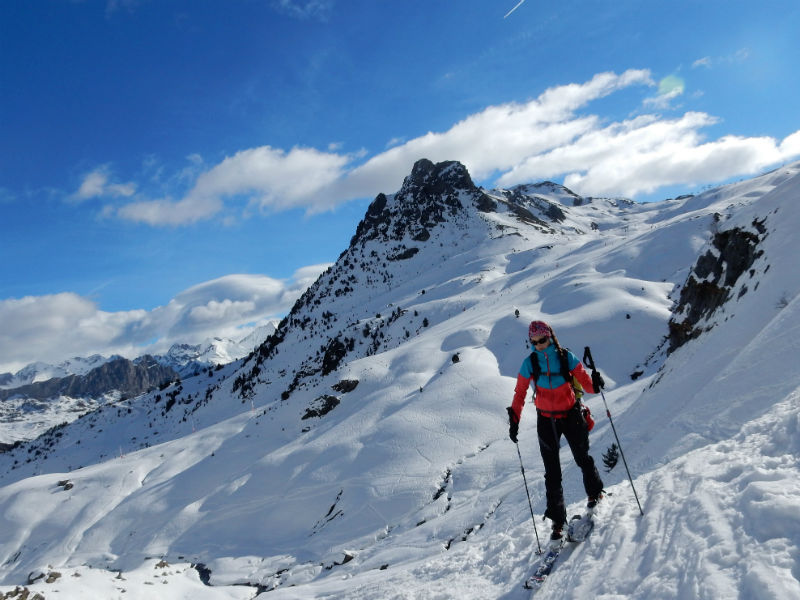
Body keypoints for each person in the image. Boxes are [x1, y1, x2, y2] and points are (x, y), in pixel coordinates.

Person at [506, 320, 605, 542]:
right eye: (535, 342)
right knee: (552, 473)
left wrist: (596, 384)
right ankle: (558, 522)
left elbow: (585, 382)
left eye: (543, 340)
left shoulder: (565, 356)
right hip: (546, 420)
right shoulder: (530, 362)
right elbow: (520, 392)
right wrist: (515, 419)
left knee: (582, 458)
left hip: (571, 414)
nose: (539, 345)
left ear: (550, 336)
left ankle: (595, 492)